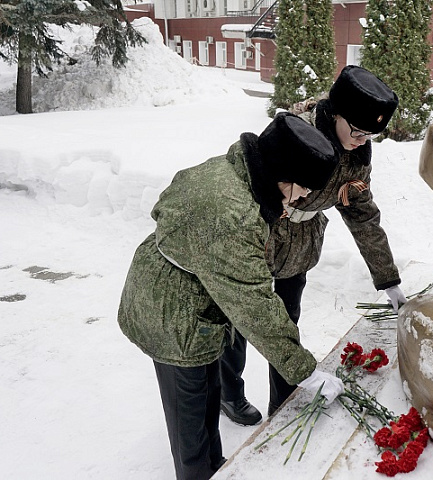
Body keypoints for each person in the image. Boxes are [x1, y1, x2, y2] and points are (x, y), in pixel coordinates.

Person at [117, 112, 345, 480]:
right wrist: (305, 370)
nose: (304, 198)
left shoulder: (236, 172)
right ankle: (198, 473)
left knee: (208, 394)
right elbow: (255, 304)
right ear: (284, 175)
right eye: (303, 188)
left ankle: (215, 468)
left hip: (195, 303)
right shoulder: (235, 214)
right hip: (172, 315)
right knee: (189, 413)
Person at [219, 65, 406, 423]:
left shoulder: (356, 154)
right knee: (240, 317)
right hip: (262, 233)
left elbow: (361, 214)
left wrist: (388, 278)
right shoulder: (294, 133)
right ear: (336, 112)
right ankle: (230, 393)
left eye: (370, 135)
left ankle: (284, 402)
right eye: (356, 130)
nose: (361, 140)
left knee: (287, 322)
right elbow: (255, 184)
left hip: (301, 242)